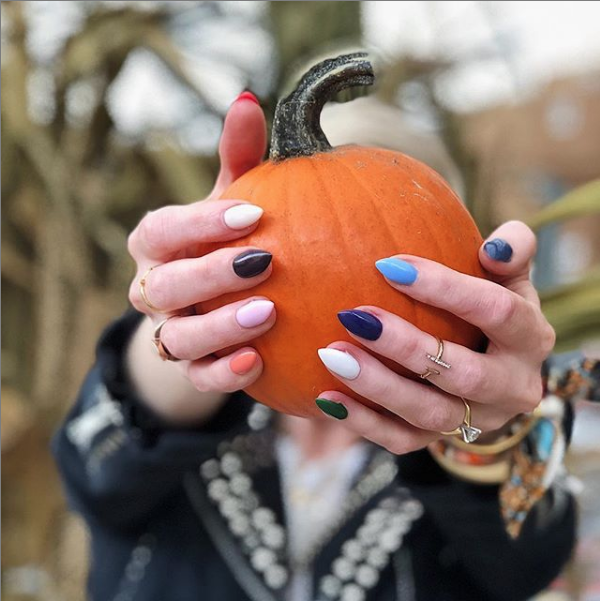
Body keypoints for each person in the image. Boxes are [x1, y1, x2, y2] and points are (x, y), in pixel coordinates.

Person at [53, 90, 580, 601]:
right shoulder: (208, 385)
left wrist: (488, 428)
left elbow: (527, 560)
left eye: (384, 252)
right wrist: (175, 337)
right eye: (313, 237)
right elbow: (95, 474)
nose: (342, 273)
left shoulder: (508, 398)